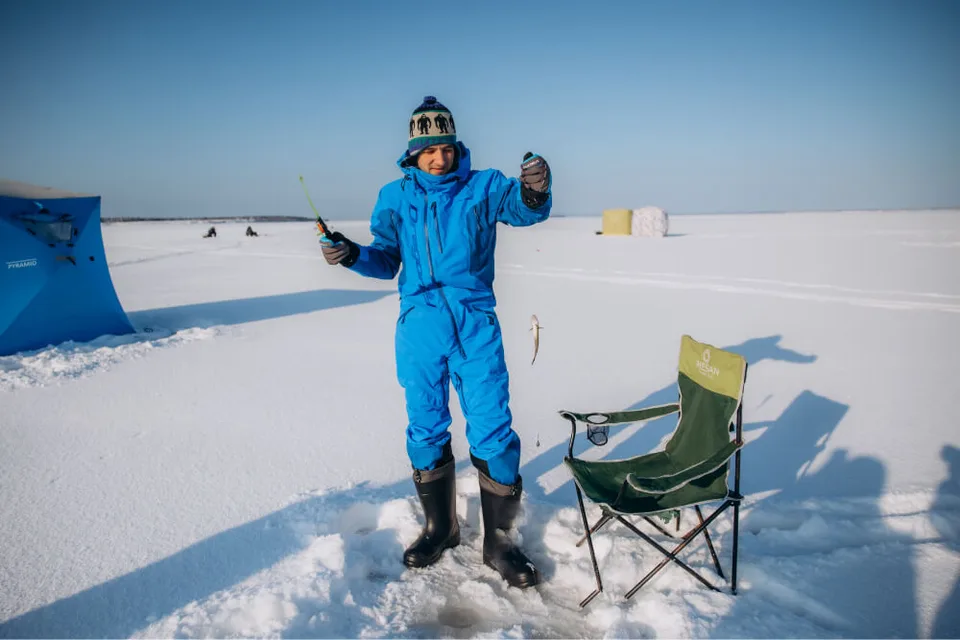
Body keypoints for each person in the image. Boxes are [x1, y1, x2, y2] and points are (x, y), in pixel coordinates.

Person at [320, 96, 551, 588]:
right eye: (429, 150)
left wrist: (535, 191)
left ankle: (500, 541)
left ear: (455, 146)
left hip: (474, 325)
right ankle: (439, 527)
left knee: (492, 427)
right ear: (413, 152)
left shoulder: (483, 187)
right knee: (425, 426)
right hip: (419, 328)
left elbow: (524, 209)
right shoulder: (394, 197)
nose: (439, 158)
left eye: (446, 148)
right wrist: (352, 254)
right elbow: (386, 260)